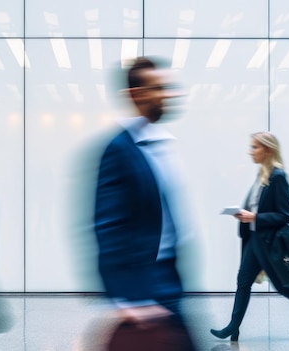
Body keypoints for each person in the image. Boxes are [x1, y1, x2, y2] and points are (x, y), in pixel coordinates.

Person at [93, 56, 195, 350]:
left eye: (167, 87)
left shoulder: (161, 142)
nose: (168, 94)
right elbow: (107, 227)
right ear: (137, 95)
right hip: (145, 282)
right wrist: (128, 298)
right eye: (158, 88)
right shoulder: (119, 150)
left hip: (169, 277)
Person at [210, 132, 289, 342]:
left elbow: (286, 215)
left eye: (255, 147)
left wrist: (255, 216)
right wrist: (245, 214)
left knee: (283, 286)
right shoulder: (262, 175)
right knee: (244, 281)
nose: (250, 151)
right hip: (255, 240)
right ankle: (234, 326)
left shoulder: (278, 176)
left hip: (268, 242)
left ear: (267, 149)